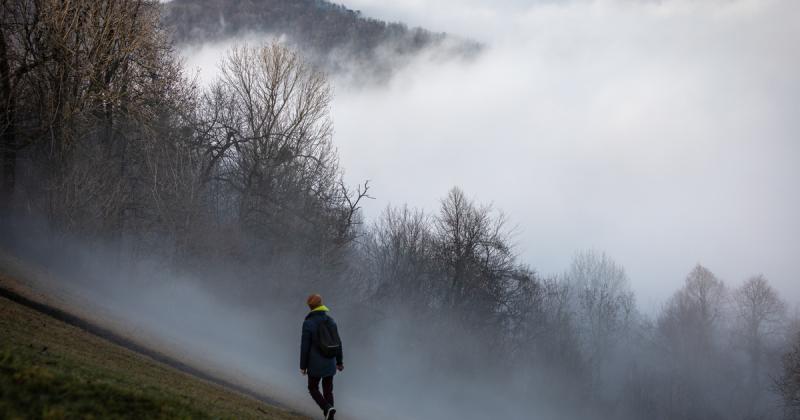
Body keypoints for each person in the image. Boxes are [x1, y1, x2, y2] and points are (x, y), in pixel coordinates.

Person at [300, 294, 343, 420]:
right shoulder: (331, 321)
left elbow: (305, 346)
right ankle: (330, 417)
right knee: (328, 391)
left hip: (315, 364)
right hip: (330, 362)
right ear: (321, 304)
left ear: (310, 307)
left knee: (313, 388)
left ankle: (327, 408)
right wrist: (339, 362)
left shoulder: (308, 323)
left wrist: (303, 366)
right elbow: (338, 343)